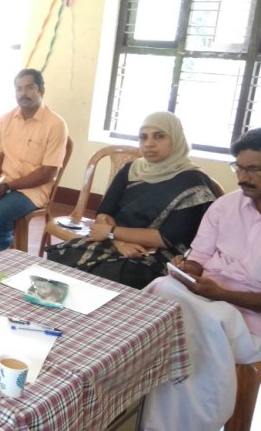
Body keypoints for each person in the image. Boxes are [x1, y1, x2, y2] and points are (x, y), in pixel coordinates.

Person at [140, 129, 261, 431]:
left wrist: (223, 295)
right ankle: (148, 412)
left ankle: (183, 422)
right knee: (163, 290)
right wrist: (188, 268)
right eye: (239, 167)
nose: (243, 177)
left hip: (249, 321)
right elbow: (200, 255)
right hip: (207, 297)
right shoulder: (226, 206)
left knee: (190, 323)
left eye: (254, 170)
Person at [46, 111, 218, 289]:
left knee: (117, 275)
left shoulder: (192, 182)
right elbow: (104, 213)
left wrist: (112, 232)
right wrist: (118, 241)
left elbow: (166, 238)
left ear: (176, 139)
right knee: (62, 257)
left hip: (159, 254)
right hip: (115, 241)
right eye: (143, 137)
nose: (149, 143)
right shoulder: (132, 169)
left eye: (159, 136)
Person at [0, 68, 69, 252]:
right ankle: (5, 242)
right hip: (3, 181)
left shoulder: (56, 124)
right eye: (18, 89)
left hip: (33, 190)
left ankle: (6, 246)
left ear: (41, 90)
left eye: (29, 87)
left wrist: (7, 187)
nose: (23, 93)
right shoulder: (5, 120)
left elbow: (48, 172)